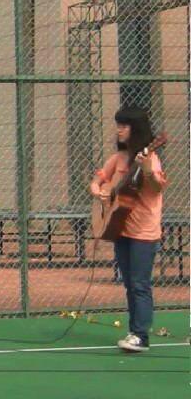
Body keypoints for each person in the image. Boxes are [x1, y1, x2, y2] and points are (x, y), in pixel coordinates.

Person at [89, 106, 167, 352]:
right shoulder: (118, 158)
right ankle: (134, 331)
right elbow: (97, 182)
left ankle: (141, 335)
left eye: (124, 126)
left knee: (139, 283)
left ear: (136, 129)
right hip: (120, 227)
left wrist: (147, 170)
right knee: (129, 284)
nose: (119, 130)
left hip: (143, 230)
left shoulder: (150, 158)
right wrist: (100, 193)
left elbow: (157, 187)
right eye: (118, 125)